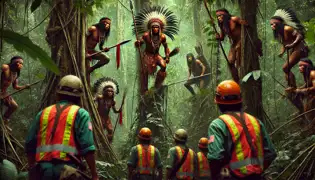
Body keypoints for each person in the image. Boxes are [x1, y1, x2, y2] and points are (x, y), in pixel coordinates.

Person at [25, 75, 99, 180]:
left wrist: (32, 168)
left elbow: (29, 143)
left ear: (58, 93)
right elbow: (88, 147)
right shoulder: (81, 113)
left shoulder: (43, 113)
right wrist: (94, 175)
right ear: (78, 96)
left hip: (42, 170)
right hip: (68, 172)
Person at [208, 80, 277, 180]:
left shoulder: (217, 125)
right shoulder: (255, 121)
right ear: (240, 99)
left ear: (218, 102)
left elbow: (215, 158)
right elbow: (270, 154)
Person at [134, 6, 179, 94]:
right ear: (151, 28)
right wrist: (138, 43)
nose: (155, 29)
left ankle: (157, 85)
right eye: (154, 27)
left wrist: (167, 56)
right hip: (147, 55)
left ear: (159, 28)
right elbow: (141, 42)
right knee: (145, 70)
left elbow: (166, 47)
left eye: (157, 27)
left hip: (156, 55)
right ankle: (145, 89)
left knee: (163, 66)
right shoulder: (146, 35)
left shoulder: (162, 36)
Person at [215, 9, 263, 83]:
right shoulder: (223, 26)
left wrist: (244, 23)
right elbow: (222, 37)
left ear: (225, 15)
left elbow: (245, 24)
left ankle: (241, 73)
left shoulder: (234, 19)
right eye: (217, 16)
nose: (218, 18)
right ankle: (236, 81)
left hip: (242, 40)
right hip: (234, 43)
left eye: (220, 15)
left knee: (238, 58)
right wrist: (218, 37)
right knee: (230, 62)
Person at [270, 8, 309, 88]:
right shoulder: (280, 33)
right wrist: (281, 52)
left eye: (274, 24)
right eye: (271, 24)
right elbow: (284, 44)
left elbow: (299, 35)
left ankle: (293, 87)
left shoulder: (287, 28)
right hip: (295, 50)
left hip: (300, 49)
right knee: (286, 69)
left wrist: (292, 45)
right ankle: (292, 87)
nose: (272, 26)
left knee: (285, 68)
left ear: (279, 23)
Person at [1, 56, 30, 131]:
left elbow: (15, 87)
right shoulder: (6, 67)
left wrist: (24, 86)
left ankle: (4, 121)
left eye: (21, 63)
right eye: (19, 62)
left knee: (14, 106)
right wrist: (8, 68)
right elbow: (4, 67)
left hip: (4, 93)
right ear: (14, 62)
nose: (20, 64)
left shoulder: (15, 74)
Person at [286, 58, 315, 127]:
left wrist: (301, 91)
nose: (299, 68)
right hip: (311, 97)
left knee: (310, 114)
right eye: (299, 66)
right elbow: (307, 85)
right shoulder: (307, 75)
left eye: (301, 65)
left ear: (307, 66)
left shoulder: (313, 73)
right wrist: (294, 89)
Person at [93, 77, 123, 143]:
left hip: (107, 118)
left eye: (111, 91)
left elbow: (115, 110)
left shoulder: (112, 101)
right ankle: (99, 142)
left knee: (110, 131)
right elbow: (93, 101)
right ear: (105, 91)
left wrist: (119, 110)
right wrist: (94, 100)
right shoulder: (100, 98)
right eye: (108, 91)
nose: (110, 92)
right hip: (99, 117)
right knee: (99, 130)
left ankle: (107, 143)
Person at [86, 17, 112, 84]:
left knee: (106, 59)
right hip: (84, 50)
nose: (107, 25)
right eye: (106, 23)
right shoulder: (93, 28)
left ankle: (91, 69)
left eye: (109, 24)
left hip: (91, 51)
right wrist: (85, 52)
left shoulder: (103, 34)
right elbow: (82, 39)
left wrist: (105, 49)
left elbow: (101, 48)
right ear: (101, 22)